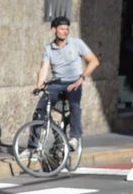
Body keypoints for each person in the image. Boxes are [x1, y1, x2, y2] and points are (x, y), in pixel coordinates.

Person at [34, 16, 99, 148]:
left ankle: (74, 137)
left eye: (67, 29)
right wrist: (39, 86)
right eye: (62, 28)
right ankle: (33, 147)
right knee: (40, 110)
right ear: (54, 29)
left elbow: (94, 61)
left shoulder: (77, 44)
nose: (65, 31)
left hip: (73, 82)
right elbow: (44, 68)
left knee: (75, 106)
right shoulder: (49, 49)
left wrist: (81, 78)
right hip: (56, 83)